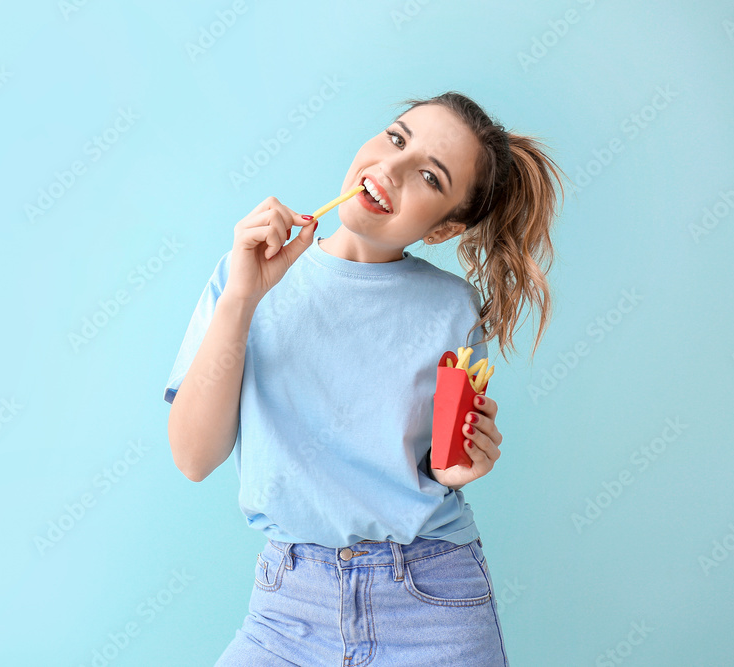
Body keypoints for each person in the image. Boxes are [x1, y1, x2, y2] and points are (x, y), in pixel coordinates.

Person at [164, 91, 566, 666]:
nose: (392, 168)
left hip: (431, 601)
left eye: (429, 176)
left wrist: (461, 465)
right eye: (396, 138)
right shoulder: (242, 274)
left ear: (443, 229)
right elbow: (193, 458)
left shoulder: (454, 310)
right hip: (288, 608)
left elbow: (438, 466)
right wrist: (243, 299)